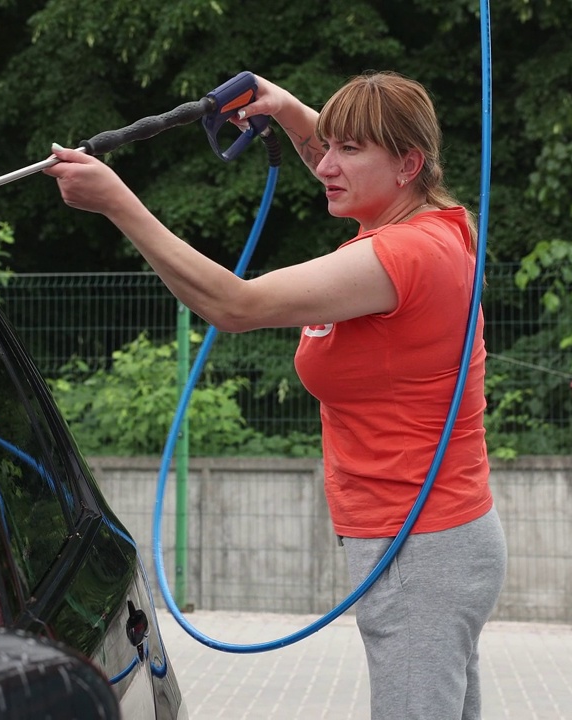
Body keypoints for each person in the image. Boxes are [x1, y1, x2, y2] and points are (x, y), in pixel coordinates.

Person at [46, 71, 507, 720]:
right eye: (329, 143)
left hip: (420, 546)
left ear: (408, 165)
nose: (326, 165)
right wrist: (288, 109)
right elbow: (346, 152)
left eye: (349, 152)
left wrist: (119, 202)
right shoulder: (435, 224)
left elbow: (235, 305)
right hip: (434, 538)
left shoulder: (406, 255)